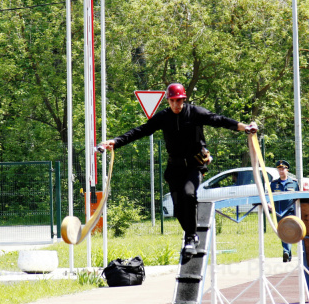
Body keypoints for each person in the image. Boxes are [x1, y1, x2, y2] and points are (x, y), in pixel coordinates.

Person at [100, 82, 256, 258]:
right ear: (168, 101)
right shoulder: (163, 117)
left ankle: (191, 237)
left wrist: (244, 127)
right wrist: (116, 141)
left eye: (179, 101)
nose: (176, 105)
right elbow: (141, 130)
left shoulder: (195, 113)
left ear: (184, 99)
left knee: (188, 194)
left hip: (195, 165)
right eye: (173, 101)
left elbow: (219, 120)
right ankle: (190, 234)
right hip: (174, 167)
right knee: (178, 207)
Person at [269, 160, 300, 262]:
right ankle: (288, 253)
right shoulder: (274, 184)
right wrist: (269, 205)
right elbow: (269, 197)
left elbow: (299, 197)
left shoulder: (294, 183)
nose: (281, 171)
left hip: (290, 212)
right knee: (283, 233)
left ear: (287, 170)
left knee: (288, 230)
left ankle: (286, 251)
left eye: (283, 169)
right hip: (278, 212)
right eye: (279, 169)